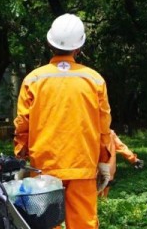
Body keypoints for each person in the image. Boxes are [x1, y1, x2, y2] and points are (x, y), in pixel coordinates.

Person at [14, 13, 113, 229]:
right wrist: (104, 161)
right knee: (84, 225)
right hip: (82, 166)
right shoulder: (94, 80)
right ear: (79, 47)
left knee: (45, 223)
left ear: (50, 44)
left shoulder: (34, 79)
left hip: (44, 168)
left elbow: (23, 124)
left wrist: (21, 157)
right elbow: (103, 126)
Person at [100, 129, 143, 198]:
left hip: (93, 170)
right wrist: (134, 159)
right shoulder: (111, 133)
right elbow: (121, 147)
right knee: (103, 196)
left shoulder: (89, 132)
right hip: (108, 169)